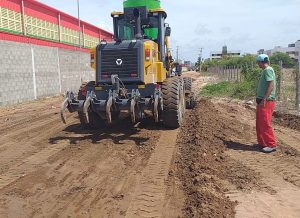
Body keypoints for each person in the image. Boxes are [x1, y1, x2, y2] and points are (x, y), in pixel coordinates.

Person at [256, 54, 277, 153]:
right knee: (260, 123)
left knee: (265, 123)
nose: (257, 64)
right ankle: (263, 143)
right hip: (261, 101)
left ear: (260, 62)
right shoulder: (266, 70)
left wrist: (264, 98)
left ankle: (271, 144)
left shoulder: (268, 70)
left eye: (257, 62)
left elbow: (270, 85)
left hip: (266, 101)